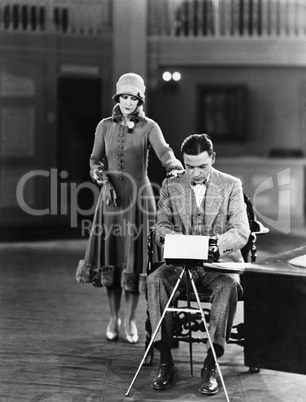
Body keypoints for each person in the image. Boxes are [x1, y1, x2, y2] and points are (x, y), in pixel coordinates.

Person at [76, 73, 184, 344]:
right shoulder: (103, 126)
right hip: (111, 200)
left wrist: (173, 164)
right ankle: (113, 318)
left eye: (132, 97)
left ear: (139, 100)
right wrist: (103, 181)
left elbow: (164, 151)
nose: (127, 102)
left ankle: (131, 319)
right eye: (123, 97)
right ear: (118, 98)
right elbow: (94, 160)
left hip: (139, 199)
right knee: (112, 258)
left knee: (135, 260)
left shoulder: (150, 126)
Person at [146, 133, 250, 395]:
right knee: (154, 280)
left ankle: (210, 364)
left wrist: (214, 244)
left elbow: (241, 232)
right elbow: (160, 226)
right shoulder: (172, 186)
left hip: (219, 267)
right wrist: (170, 237)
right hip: (180, 265)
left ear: (212, 159)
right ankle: (166, 361)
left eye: (202, 166)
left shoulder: (231, 185)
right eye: (189, 166)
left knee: (228, 287)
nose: (194, 173)